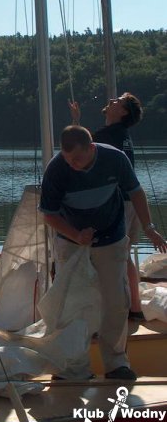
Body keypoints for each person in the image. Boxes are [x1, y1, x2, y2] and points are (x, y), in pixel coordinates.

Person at [40, 125, 167, 381]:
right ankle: (72, 368)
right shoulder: (57, 169)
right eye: (68, 158)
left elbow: (135, 192)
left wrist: (149, 227)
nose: (73, 164)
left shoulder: (114, 158)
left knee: (115, 301)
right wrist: (76, 235)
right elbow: (49, 214)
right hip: (71, 241)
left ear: (91, 148)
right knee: (71, 304)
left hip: (111, 237)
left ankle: (116, 364)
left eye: (77, 158)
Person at [69, 93, 144, 319]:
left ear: (123, 112)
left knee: (114, 256)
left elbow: (80, 150)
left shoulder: (110, 135)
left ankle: (118, 310)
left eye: (118, 101)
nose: (112, 101)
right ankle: (135, 308)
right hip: (129, 200)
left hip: (118, 203)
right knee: (124, 255)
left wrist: (75, 120)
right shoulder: (121, 135)